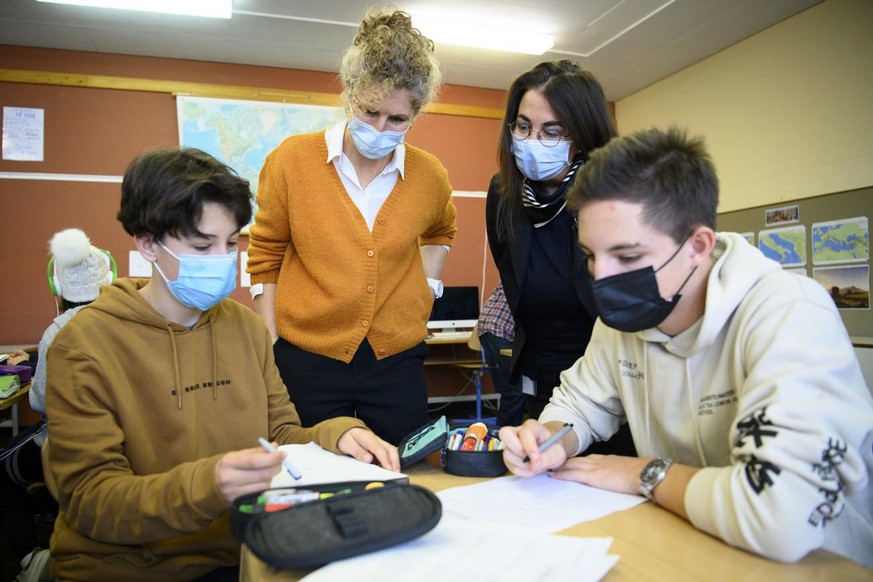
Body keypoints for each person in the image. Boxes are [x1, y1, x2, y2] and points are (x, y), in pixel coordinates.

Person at [499, 127, 873, 567]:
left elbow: (779, 517)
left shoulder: (789, 314)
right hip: (697, 543)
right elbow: (579, 406)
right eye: (591, 255)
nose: (601, 277)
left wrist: (644, 473)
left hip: (814, 564)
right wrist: (551, 440)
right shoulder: (623, 322)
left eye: (628, 257)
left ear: (697, 246)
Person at [43, 147, 399, 582]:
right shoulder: (84, 345)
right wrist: (207, 486)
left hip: (247, 552)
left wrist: (339, 433)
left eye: (231, 243)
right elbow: (89, 499)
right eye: (200, 245)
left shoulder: (247, 328)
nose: (222, 260)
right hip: (129, 568)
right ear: (147, 244)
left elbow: (282, 434)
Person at [247, 8, 456, 445]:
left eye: (397, 120)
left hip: (395, 357)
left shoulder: (429, 174)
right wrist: (270, 346)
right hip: (307, 355)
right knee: (311, 469)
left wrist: (427, 284)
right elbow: (264, 257)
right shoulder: (291, 161)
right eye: (369, 111)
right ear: (349, 95)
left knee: (405, 467)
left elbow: (441, 230)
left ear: (415, 115)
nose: (380, 128)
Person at [486, 60, 634, 455]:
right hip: (538, 379)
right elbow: (515, 284)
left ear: (584, 136)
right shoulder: (504, 194)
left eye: (552, 131)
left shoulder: (614, 196)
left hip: (611, 387)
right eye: (523, 126)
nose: (532, 141)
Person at [1, 228, 113, 580]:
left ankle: (30, 558)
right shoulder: (122, 324)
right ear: (108, 280)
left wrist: (35, 374)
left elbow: (40, 400)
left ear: (57, 287)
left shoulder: (57, 331)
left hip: (63, 443)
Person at [476, 283, 524, 426]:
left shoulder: (515, 268)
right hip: (500, 331)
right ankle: (504, 440)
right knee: (515, 392)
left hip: (489, 329)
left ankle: (503, 436)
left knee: (510, 391)